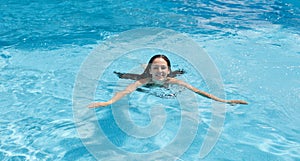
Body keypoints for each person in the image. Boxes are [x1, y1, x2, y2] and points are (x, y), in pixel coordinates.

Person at [88, 54, 248, 108]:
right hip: (145, 80)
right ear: (151, 70)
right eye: (155, 68)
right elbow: (127, 90)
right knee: (124, 76)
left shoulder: (173, 81)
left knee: (179, 75)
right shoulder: (144, 80)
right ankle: (139, 65)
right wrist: (108, 102)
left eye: (163, 68)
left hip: (166, 80)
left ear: (168, 70)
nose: (159, 71)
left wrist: (225, 101)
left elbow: (199, 91)